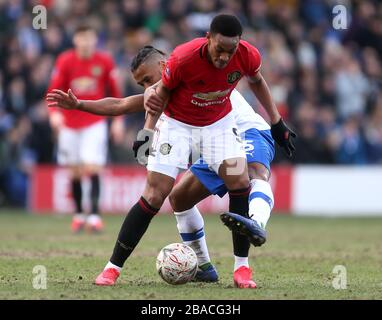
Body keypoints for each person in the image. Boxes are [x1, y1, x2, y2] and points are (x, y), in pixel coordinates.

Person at [47, 15, 296, 287]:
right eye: (141, 83)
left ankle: (244, 263)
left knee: (244, 178)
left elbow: (256, 81)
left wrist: (276, 123)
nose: (145, 87)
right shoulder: (175, 72)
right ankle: (115, 268)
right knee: (165, 195)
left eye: (146, 79)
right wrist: (82, 105)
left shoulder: (208, 61)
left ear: (164, 66)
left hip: (232, 128)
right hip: (184, 130)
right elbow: (125, 103)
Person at [47, 23, 124, 233]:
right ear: (75, 40)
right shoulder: (65, 60)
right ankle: (80, 214)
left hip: (94, 121)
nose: (85, 42)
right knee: (74, 171)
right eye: (82, 38)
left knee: (92, 167)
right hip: (69, 123)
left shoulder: (105, 61)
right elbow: (53, 90)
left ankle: (95, 215)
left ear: (94, 40)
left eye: (89, 38)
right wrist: (54, 115)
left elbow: (116, 92)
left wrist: (118, 120)